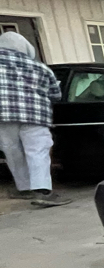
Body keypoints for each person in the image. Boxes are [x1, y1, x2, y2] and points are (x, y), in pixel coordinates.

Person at [0, 32, 70, 207]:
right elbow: (56, 94)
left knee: (12, 151)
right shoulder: (40, 68)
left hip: (4, 116)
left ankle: (24, 189)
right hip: (35, 116)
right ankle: (43, 192)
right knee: (38, 151)